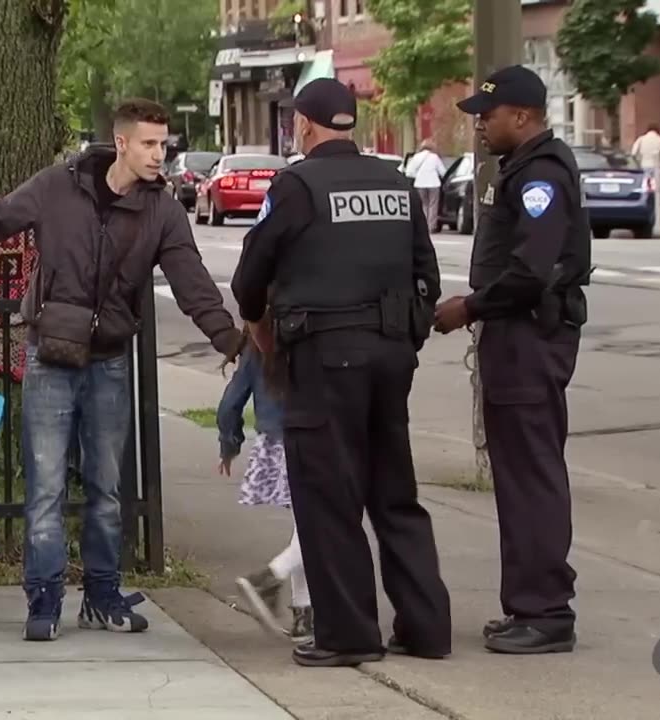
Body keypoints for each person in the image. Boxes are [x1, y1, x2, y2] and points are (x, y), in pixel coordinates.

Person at [0, 99, 241, 642]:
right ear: (121, 143)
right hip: (50, 354)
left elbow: (192, 280)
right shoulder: (60, 186)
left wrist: (228, 338)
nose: (158, 155)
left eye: (163, 145)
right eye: (148, 144)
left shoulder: (161, 210)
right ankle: (44, 597)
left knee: (105, 488)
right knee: (47, 485)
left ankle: (102, 595)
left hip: (109, 360)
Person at [231, 78, 451, 668]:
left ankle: (348, 634)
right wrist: (407, 338)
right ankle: (426, 627)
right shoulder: (396, 183)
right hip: (390, 356)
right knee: (395, 495)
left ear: (303, 125)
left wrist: (260, 333)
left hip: (325, 360)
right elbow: (426, 275)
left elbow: (250, 278)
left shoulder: (296, 187)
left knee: (328, 499)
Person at [433, 65, 591, 655]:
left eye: (488, 114)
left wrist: (468, 308)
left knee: (532, 476)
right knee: (520, 475)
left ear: (521, 116)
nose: (478, 123)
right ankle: (528, 603)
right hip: (514, 337)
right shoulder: (522, 170)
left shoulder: (541, 176)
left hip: (528, 338)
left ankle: (548, 612)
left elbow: (532, 269)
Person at [215, 301, 313, 644]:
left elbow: (230, 403)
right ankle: (270, 578)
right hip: (310, 437)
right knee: (321, 522)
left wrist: (229, 444)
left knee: (306, 522)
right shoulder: (303, 335)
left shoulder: (254, 346)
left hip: (275, 443)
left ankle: (304, 613)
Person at [402, 138, 448, 231]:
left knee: (423, 205)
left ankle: (423, 227)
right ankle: (431, 226)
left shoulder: (416, 157)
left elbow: (409, 172)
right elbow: (443, 172)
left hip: (420, 184)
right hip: (434, 183)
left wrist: (418, 176)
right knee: (433, 205)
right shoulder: (434, 157)